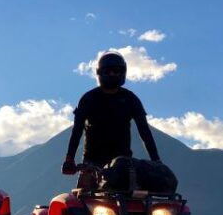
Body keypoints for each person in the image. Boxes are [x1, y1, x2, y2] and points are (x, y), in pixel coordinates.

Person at [62, 52, 160, 180]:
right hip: (92, 163)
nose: (112, 74)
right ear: (100, 73)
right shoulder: (88, 99)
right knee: (85, 198)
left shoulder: (130, 99)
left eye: (116, 71)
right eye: (108, 71)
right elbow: (77, 131)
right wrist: (69, 159)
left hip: (122, 164)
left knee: (128, 198)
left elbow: (145, 132)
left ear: (123, 72)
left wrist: (156, 161)